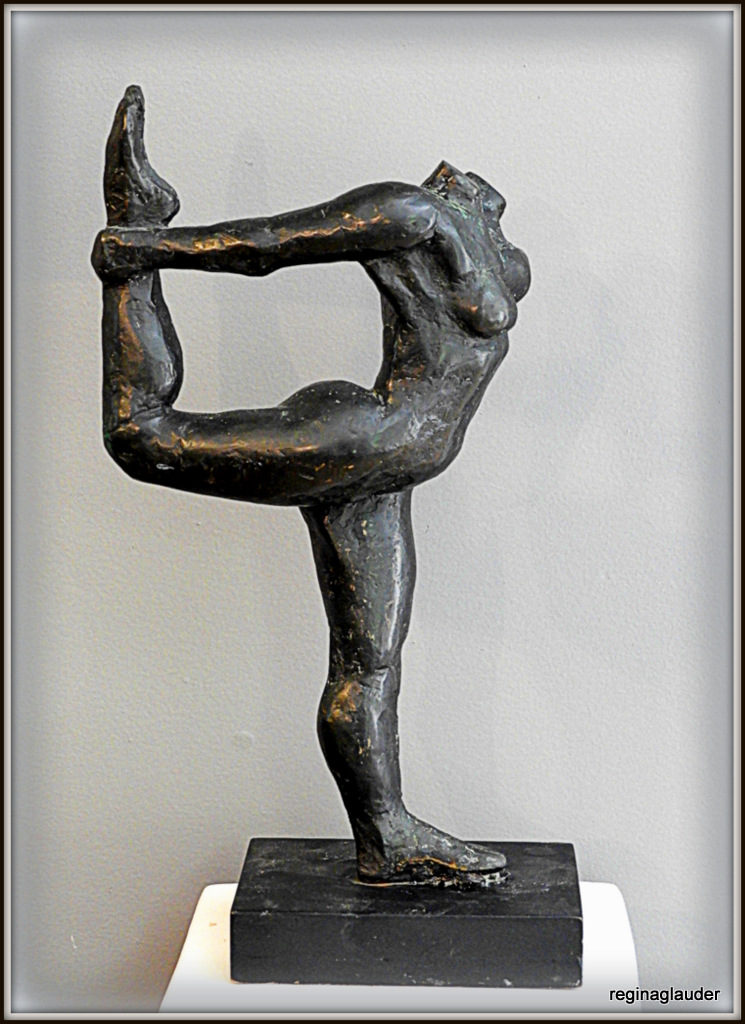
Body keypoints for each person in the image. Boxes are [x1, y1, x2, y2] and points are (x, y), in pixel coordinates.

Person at [92, 86, 531, 887]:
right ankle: (134, 240)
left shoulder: (486, 237)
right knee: (142, 439)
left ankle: (385, 838)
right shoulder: (404, 209)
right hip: (366, 439)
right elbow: (268, 245)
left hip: (383, 472)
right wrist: (144, 250)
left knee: (370, 665)